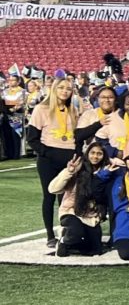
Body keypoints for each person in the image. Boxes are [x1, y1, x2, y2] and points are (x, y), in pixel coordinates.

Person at [27, 77, 81, 247]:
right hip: (48, 161)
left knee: (67, 198)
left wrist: (77, 154)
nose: (65, 91)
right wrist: (46, 153)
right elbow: (32, 138)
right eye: (62, 88)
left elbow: (77, 137)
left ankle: (66, 232)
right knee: (49, 196)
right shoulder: (41, 109)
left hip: (69, 161)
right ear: (54, 89)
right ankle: (50, 235)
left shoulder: (73, 110)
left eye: (68, 89)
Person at [47, 142, 110, 257]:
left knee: (95, 249)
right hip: (71, 212)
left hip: (91, 215)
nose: (95, 157)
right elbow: (52, 189)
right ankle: (63, 241)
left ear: (104, 156)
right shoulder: (78, 169)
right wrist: (69, 172)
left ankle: (75, 243)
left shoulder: (106, 172)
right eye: (92, 153)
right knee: (76, 232)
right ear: (87, 154)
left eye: (99, 154)